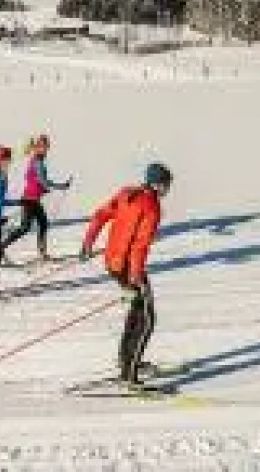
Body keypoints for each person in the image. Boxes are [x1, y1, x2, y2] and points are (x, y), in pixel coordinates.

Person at [79, 162, 173, 386]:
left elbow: (101, 214)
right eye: (167, 185)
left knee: (137, 310)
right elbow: (141, 245)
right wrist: (134, 277)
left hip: (113, 263)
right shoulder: (152, 206)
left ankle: (127, 361)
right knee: (148, 320)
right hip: (129, 267)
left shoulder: (127, 193)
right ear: (157, 185)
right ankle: (129, 375)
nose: (168, 190)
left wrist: (88, 241)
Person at [0, 135, 71, 299]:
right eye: (6, 160)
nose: (9, 162)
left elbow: (14, 157)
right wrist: (16, 203)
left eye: (8, 159)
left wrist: (25, 148)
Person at [3, 134, 73, 261]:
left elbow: (37, 179)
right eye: (44, 146)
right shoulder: (37, 161)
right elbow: (42, 180)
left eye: (47, 146)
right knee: (24, 228)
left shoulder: (37, 160)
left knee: (42, 223)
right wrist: (58, 186)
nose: (47, 149)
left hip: (33, 199)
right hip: (29, 199)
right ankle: (1, 248)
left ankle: (42, 253)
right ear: (39, 147)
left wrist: (54, 186)